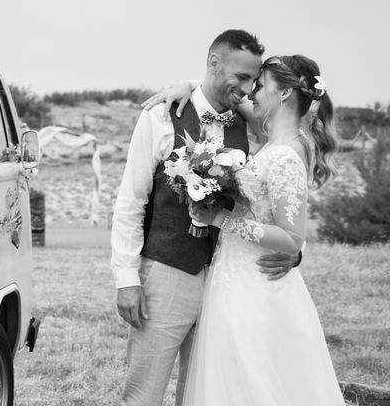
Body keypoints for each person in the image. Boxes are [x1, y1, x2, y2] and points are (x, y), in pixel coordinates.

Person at [111, 30, 300, 406]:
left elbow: (284, 157)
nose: (247, 88)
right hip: (165, 274)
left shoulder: (247, 121)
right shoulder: (162, 116)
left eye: (253, 80)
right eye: (241, 76)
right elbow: (131, 200)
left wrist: (295, 248)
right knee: (143, 394)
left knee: (204, 394)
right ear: (214, 63)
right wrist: (126, 277)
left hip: (225, 282)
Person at [180, 54, 344, 405]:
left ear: (284, 93)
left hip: (255, 285)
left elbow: (292, 237)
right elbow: (226, 96)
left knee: (253, 384)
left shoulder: (286, 154)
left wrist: (220, 220)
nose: (253, 92)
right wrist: (187, 87)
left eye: (261, 85)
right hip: (238, 277)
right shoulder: (279, 140)